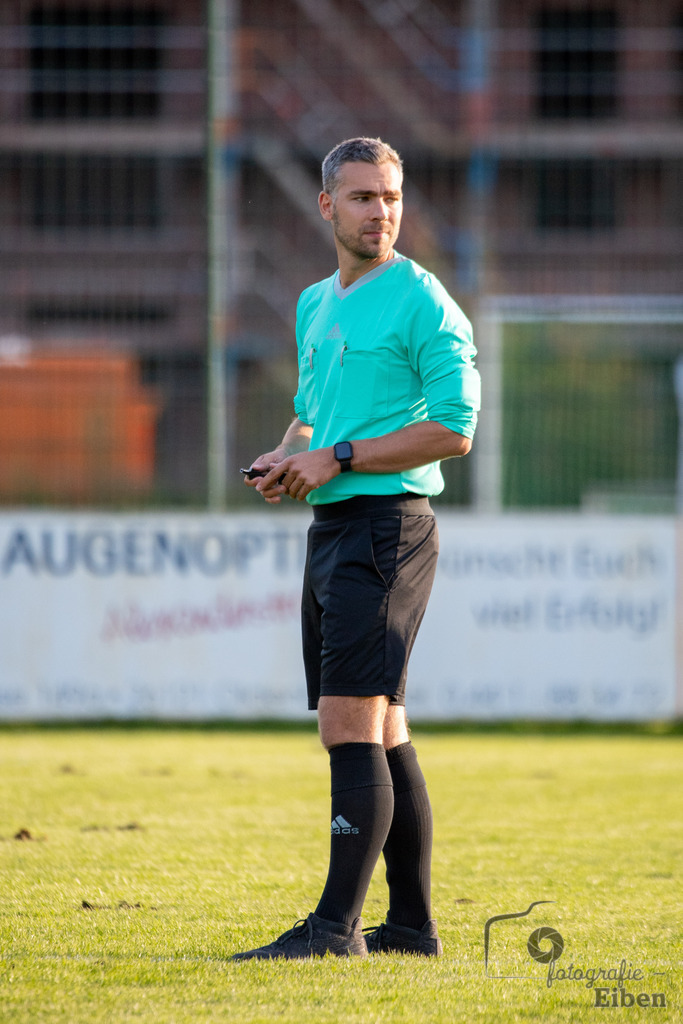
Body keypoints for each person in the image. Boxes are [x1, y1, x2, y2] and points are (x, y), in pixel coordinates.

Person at [231, 137, 480, 961]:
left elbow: (452, 428)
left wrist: (333, 458)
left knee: (347, 723)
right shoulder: (315, 302)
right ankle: (409, 927)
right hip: (334, 526)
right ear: (327, 205)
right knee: (384, 726)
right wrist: (286, 455)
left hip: (389, 526)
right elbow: (310, 415)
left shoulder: (424, 300)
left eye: (392, 197)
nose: (381, 212)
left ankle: (333, 930)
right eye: (364, 197)